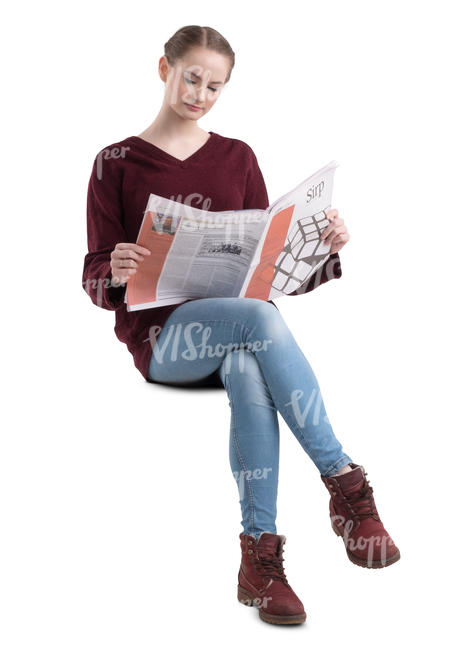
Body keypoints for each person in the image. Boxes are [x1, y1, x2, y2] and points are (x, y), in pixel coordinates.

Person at [82, 24, 400, 626]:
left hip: (243, 332)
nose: (201, 94)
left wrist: (322, 244)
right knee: (257, 319)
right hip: (164, 339)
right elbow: (95, 275)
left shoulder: (238, 157)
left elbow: (268, 270)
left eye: (215, 86)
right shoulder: (115, 162)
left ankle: (260, 560)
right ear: (164, 68)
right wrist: (116, 269)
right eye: (192, 78)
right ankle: (346, 484)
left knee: (248, 364)